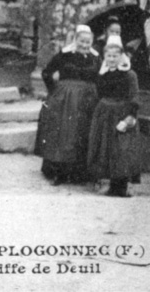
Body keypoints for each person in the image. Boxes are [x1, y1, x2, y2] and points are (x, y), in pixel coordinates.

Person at [35, 24, 100, 184]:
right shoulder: (63, 55)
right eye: (81, 41)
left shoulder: (96, 57)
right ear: (75, 39)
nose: (84, 45)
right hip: (65, 102)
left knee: (82, 134)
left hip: (87, 102)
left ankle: (79, 174)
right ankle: (60, 172)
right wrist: (55, 90)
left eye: (88, 42)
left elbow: (101, 77)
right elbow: (46, 72)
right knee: (64, 134)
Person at [87, 35, 142, 197]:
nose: (111, 59)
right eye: (108, 56)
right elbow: (99, 94)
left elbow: (134, 96)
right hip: (104, 114)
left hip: (122, 113)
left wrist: (129, 118)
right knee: (106, 148)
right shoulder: (103, 74)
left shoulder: (129, 75)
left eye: (115, 56)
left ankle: (121, 187)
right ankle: (110, 185)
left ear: (122, 56)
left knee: (121, 150)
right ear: (104, 57)